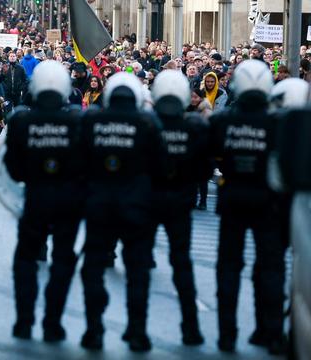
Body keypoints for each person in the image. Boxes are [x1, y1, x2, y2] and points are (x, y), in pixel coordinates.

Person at [79, 72, 166, 352]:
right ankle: (137, 331)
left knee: (93, 268)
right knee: (137, 271)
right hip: (136, 205)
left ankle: (94, 330)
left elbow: (77, 161)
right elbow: (162, 167)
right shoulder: (147, 122)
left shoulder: (92, 120)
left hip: (98, 203)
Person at [209, 60, 286, 354]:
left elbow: (207, 156)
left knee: (228, 266)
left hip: (232, 199)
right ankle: (272, 332)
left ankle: (227, 335)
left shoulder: (222, 121)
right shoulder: (277, 122)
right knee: (270, 267)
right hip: (268, 201)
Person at [4, 61, 84, 342]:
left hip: (35, 196)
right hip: (69, 198)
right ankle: (53, 323)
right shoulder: (77, 120)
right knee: (63, 258)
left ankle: (23, 322)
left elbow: (12, 169)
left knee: (25, 257)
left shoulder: (21, 121)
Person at [150, 70, 212, 346]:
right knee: (182, 264)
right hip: (181, 202)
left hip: (149, 200)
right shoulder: (195, 127)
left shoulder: (147, 125)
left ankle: (137, 329)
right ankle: (192, 328)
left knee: (139, 265)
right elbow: (206, 167)